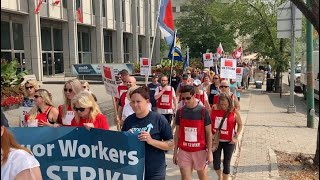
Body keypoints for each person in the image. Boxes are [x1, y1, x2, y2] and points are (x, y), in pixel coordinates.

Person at [122, 87, 174, 180]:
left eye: (138, 101)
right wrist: (127, 137)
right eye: (132, 102)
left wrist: (151, 141)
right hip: (134, 169)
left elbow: (171, 144)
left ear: (147, 101)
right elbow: (121, 146)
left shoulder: (159, 119)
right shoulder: (129, 121)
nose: (135, 105)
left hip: (155, 170)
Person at [173, 85, 213, 180]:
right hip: (184, 151)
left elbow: (208, 133)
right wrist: (175, 152)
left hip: (200, 151)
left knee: (203, 177)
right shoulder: (180, 112)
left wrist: (209, 152)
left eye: (188, 98)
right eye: (183, 98)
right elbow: (177, 132)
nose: (185, 101)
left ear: (194, 95)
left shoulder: (203, 111)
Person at [210, 93, 243, 180]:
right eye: (221, 104)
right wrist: (210, 135)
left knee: (226, 162)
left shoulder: (233, 111)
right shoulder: (214, 110)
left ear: (229, 102)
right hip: (216, 141)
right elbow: (209, 124)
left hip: (229, 141)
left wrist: (236, 137)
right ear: (218, 103)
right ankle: (220, 176)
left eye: (225, 104)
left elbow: (240, 124)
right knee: (216, 164)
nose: (223, 106)